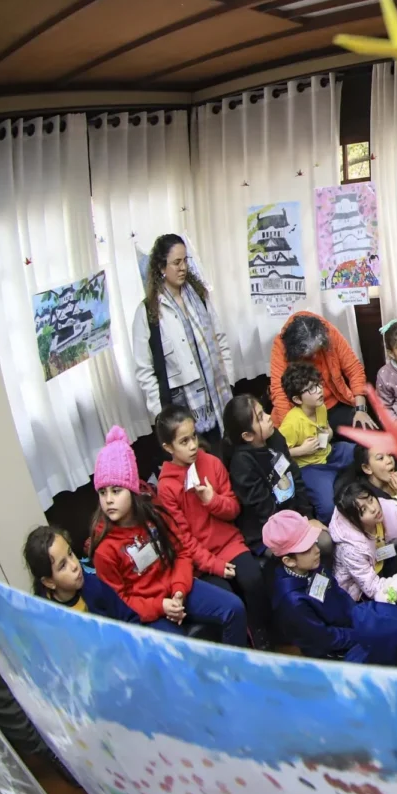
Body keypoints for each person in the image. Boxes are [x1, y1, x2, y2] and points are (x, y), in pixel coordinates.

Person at [88, 426, 247, 645]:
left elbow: (181, 553)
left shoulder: (155, 517)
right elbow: (121, 602)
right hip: (149, 609)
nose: (108, 500)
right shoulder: (103, 550)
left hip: (177, 588)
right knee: (179, 647)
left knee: (234, 608)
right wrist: (160, 606)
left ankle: (233, 673)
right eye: (102, 492)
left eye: (116, 491)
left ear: (132, 491)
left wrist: (179, 590)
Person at [153, 406, 270, 648]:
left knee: (253, 579)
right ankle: (243, 647)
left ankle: (262, 635)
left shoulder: (212, 462)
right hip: (199, 560)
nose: (193, 445)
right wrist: (213, 565)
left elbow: (234, 509)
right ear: (168, 448)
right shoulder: (166, 487)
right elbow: (183, 539)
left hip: (229, 543)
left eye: (194, 436)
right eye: (184, 441)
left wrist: (212, 500)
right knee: (227, 596)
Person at [264, 510, 397, 665]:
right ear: (289, 561)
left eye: (314, 542)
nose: (317, 550)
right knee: (386, 647)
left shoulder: (311, 566)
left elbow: (338, 594)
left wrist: (361, 619)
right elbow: (325, 639)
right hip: (335, 651)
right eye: (307, 549)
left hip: (349, 622)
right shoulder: (292, 602)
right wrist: (362, 633)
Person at [131, 234, 233, 443]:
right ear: (161, 267)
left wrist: (228, 381)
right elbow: (144, 370)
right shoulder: (147, 311)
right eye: (176, 262)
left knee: (224, 454)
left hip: (218, 393)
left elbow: (220, 339)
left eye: (185, 260)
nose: (183, 267)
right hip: (180, 405)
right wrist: (161, 413)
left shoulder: (199, 296)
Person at [222, 393, 323, 555]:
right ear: (247, 436)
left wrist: (307, 516)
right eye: (260, 418)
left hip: (295, 516)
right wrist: (301, 528)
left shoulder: (274, 437)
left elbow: (295, 477)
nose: (269, 417)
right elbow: (266, 512)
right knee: (322, 544)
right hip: (270, 531)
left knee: (324, 539)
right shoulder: (242, 464)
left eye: (264, 412)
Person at [268, 310, 376, 430]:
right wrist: (294, 430)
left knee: (369, 431)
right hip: (303, 413)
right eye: (309, 356)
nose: (315, 357)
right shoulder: (281, 345)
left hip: (334, 405)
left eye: (318, 351)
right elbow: (279, 392)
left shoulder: (327, 331)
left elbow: (354, 368)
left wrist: (360, 409)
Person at [279, 363, 354, 521]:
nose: (319, 390)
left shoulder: (320, 407)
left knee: (363, 453)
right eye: (311, 389)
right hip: (310, 467)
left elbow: (326, 430)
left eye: (319, 384)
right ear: (297, 399)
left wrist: (329, 433)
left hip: (329, 452)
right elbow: (278, 453)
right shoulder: (291, 423)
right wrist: (301, 450)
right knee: (328, 509)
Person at [23, 525, 138, 623]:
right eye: (63, 565)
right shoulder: (45, 616)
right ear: (49, 582)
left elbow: (129, 618)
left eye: (70, 553)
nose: (74, 565)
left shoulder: (94, 585)